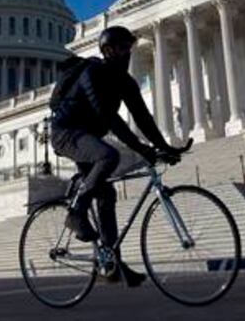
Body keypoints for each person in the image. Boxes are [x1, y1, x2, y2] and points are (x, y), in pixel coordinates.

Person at [50, 25, 187, 287]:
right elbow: (109, 118)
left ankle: (112, 262)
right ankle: (76, 213)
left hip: (87, 138)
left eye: (129, 48)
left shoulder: (125, 82)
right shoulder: (92, 72)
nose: (128, 53)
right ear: (108, 50)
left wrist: (164, 146)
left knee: (107, 195)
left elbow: (143, 117)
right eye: (123, 48)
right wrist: (140, 148)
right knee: (108, 156)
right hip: (66, 132)